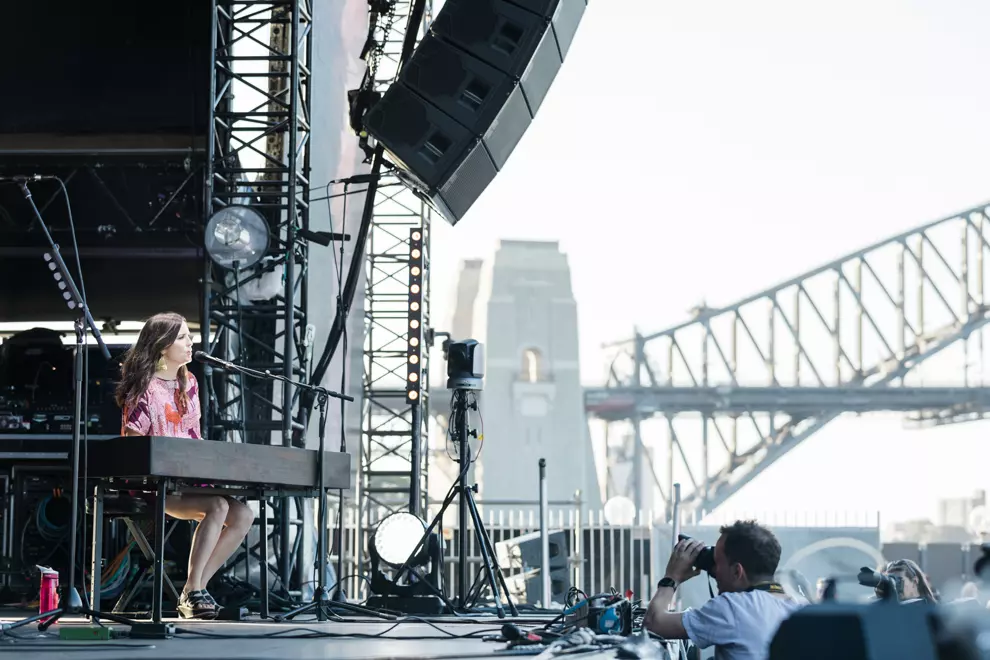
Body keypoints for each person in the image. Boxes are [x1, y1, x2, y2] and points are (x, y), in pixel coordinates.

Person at [115, 312, 253, 620]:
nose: (190, 343)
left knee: (244, 514)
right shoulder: (144, 386)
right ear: (162, 346)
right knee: (217, 506)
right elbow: (133, 442)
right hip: (157, 483)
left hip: (189, 479)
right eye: (181, 338)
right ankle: (192, 592)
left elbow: (194, 436)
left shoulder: (189, 382)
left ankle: (196, 588)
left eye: (189, 337)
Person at [644, 520, 803, 660]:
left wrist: (672, 576)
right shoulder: (801, 606)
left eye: (717, 562)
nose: (713, 571)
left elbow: (653, 623)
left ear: (736, 571)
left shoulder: (734, 608)